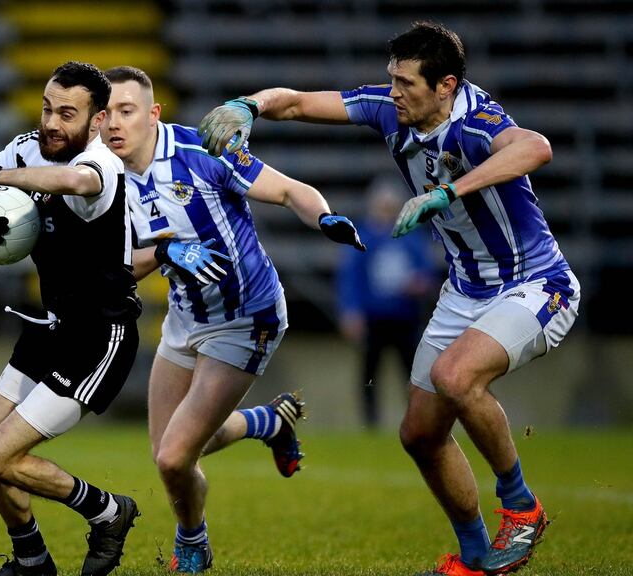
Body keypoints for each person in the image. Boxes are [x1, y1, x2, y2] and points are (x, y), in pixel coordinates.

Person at [199, 20, 580, 576]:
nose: (394, 91)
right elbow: (299, 103)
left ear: (445, 86)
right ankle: (476, 558)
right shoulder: (389, 109)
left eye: (406, 82)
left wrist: (448, 191)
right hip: (465, 290)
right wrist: (248, 105)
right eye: (392, 79)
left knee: (456, 377)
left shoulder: (476, 120)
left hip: (535, 283)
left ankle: (521, 507)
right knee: (420, 435)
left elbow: (536, 148)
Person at [101, 66, 365, 573]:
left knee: (176, 457)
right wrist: (165, 251)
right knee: (169, 451)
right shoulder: (100, 178)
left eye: (126, 111)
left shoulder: (203, 151)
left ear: (153, 114)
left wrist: (324, 216)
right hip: (185, 317)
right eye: (105, 113)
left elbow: (289, 191)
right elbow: (116, 270)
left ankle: (193, 543)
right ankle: (268, 422)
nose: (113, 123)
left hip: (247, 317)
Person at [0, 61, 143, 576]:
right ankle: (32, 559)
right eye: (48, 108)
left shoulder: (103, 164)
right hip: (51, 326)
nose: (52, 122)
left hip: (100, 336)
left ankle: (109, 511)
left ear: (97, 120)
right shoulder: (28, 145)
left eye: (67, 114)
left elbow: (73, 181)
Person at [337, 175, 437, 428]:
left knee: (412, 373)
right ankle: (371, 422)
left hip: (405, 315)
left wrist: (420, 283)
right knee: (370, 373)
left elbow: (427, 272)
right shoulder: (362, 237)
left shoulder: (410, 235)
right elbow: (350, 277)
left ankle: (417, 420)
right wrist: (351, 311)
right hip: (374, 317)